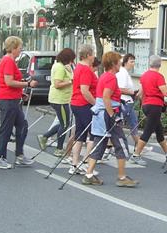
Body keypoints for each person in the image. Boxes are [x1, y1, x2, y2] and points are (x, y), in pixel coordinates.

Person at [83, 51, 138, 187]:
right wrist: (113, 116)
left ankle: (89, 174)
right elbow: (106, 97)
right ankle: (121, 177)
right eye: (119, 61)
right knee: (120, 143)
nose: (120, 63)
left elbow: (105, 97)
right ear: (113, 63)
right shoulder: (111, 78)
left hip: (102, 115)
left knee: (100, 143)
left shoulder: (104, 76)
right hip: (108, 115)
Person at [0, 36, 37, 169]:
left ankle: (19, 155)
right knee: (6, 129)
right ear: (14, 48)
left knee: (22, 125)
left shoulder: (10, 61)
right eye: (20, 48)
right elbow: (9, 82)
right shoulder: (8, 61)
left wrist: (21, 93)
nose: (21, 50)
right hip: (8, 100)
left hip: (13, 98)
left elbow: (9, 83)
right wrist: (27, 83)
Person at [131, 55, 167, 164]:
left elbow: (140, 93)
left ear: (150, 63)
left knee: (159, 130)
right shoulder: (159, 76)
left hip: (146, 105)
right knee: (148, 131)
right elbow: (165, 92)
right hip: (155, 105)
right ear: (160, 64)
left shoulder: (144, 76)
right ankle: (136, 155)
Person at [39, 48, 75, 157]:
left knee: (62, 122)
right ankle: (58, 148)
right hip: (60, 99)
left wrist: (70, 73)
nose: (72, 62)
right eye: (72, 59)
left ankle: (45, 137)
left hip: (61, 99)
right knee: (65, 124)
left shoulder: (62, 66)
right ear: (67, 58)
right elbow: (57, 84)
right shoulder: (60, 67)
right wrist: (70, 81)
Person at [68, 44, 97, 174]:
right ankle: (86, 163)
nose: (94, 56)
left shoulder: (78, 67)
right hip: (84, 104)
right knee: (93, 134)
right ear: (88, 55)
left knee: (80, 134)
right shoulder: (85, 69)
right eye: (93, 54)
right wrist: (96, 104)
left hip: (76, 103)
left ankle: (74, 164)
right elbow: (85, 91)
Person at [115, 53, 141, 149]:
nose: (133, 64)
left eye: (134, 61)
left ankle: (139, 146)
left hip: (128, 102)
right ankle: (109, 147)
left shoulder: (125, 72)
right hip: (124, 102)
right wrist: (132, 92)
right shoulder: (122, 73)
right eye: (131, 61)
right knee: (118, 126)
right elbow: (120, 88)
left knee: (133, 124)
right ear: (125, 62)